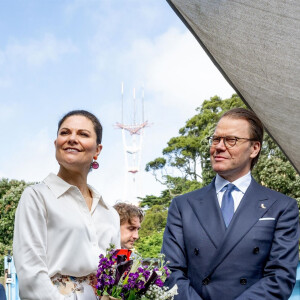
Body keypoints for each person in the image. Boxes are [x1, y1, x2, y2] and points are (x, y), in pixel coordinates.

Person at [162, 108, 299, 300]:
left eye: (231, 140)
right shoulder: (182, 206)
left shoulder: (282, 207)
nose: (219, 146)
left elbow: (280, 277)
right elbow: (170, 272)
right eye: (216, 139)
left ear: (254, 148)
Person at [13, 110, 120, 300]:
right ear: (56, 144)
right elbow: (31, 274)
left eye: (83, 134)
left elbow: (115, 276)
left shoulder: (109, 213)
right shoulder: (37, 197)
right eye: (65, 133)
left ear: (97, 150)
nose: (72, 138)